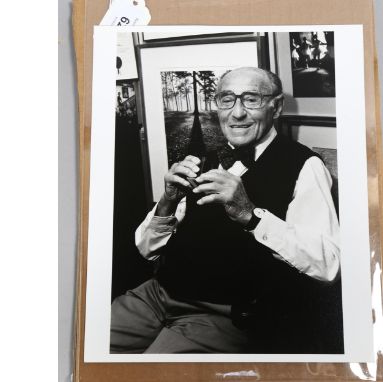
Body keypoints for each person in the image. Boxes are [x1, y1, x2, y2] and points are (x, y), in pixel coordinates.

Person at [110, 67, 341, 354]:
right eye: (227, 99)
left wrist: (250, 215)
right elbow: (146, 249)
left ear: (276, 106)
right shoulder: (201, 158)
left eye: (251, 99)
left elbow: (329, 265)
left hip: (223, 314)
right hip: (156, 295)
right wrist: (167, 200)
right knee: (84, 345)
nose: (237, 113)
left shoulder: (305, 166)